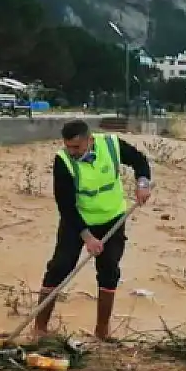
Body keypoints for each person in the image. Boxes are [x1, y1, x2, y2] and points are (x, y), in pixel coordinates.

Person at [35, 120, 153, 340]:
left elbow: (140, 161)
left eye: (76, 147)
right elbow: (66, 206)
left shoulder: (111, 144)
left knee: (109, 270)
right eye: (68, 146)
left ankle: (102, 331)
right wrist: (87, 237)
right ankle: (40, 328)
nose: (72, 152)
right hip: (77, 221)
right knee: (60, 267)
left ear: (89, 140)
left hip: (112, 219)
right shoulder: (63, 161)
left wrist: (143, 184)